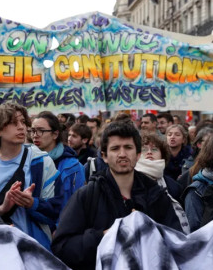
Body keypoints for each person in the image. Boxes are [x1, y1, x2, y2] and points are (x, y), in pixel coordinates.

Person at [51, 122, 184, 269]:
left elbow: (176, 244)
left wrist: (146, 231)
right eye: (115, 148)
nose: (122, 154)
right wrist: (105, 236)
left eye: (128, 147)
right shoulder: (87, 195)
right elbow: (62, 248)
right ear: (104, 156)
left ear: (138, 154)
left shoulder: (156, 195)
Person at [0, 103, 58, 250]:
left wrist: (32, 203)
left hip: (36, 250)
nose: (21, 127)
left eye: (23, 122)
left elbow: (56, 210)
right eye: (13, 123)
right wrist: (1, 210)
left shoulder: (43, 162)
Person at [135, 133, 190, 233]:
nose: (149, 152)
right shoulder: (131, 181)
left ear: (163, 155)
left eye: (154, 149)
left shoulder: (174, 186)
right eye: (144, 149)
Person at [31, 111, 85, 212]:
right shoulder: (28, 161)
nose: (35, 135)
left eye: (41, 131)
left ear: (55, 134)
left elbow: (78, 205)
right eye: (33, 130)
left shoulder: (73, 167)